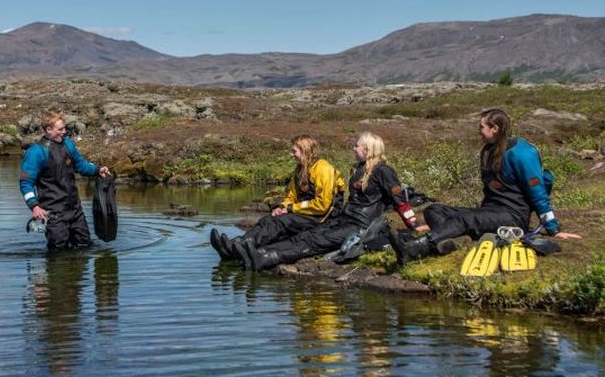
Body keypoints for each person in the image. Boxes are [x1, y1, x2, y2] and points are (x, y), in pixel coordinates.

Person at [389, 108, 581, 264]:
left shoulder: (522, 153)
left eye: (481, 127)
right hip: (490, 211)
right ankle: (452, 240)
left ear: (494, 128)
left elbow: (538, 193)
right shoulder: (488, 151)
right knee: (434, 210)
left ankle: (414, 249)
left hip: (513, 216)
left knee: (466, 219)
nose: (478, 131)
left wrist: (554, 229)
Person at [238, 132, 419, 271]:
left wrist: (413, 225)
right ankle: (260, 252)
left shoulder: (384, 171)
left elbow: (400, 202)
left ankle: (269, 258)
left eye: (356, 146)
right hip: (344, 219)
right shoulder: (357, 169)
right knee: (306, 235)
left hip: (361, 226)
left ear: (367, 149)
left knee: (316, 240)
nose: (353, 149)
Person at [209, 134, 344, 261]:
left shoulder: (323, 169)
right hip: (307, 213)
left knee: (281, 222)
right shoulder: (300, 170)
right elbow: (291, 196)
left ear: (305, 151)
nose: (292, 155)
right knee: (269, 219)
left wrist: (290, 209)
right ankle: (237, 244)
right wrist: (282, 207)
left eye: (294, 151)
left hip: (323, 217)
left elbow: (322, 205)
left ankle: (241, 246)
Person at [19, 110, 111, 251]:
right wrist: (34, 206)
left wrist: (98, 170)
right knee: (58, 251)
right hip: (53, 213)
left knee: (84, 245)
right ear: (49, 130)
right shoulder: (36, 152)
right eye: (60, 129)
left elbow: (81, 165)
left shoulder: (67, 144)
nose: (64, 132)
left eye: (64, 128)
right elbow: (26, 183)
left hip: (75, 209)